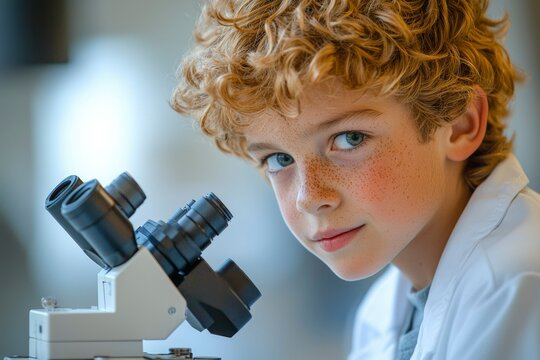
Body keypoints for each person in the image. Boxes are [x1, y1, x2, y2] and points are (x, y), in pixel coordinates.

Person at [171, 0, 540, 359]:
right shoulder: (380, 313)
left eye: (349, 139)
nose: (308, 197)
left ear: (460, 124)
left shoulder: (519, 284)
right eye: (279, 159)